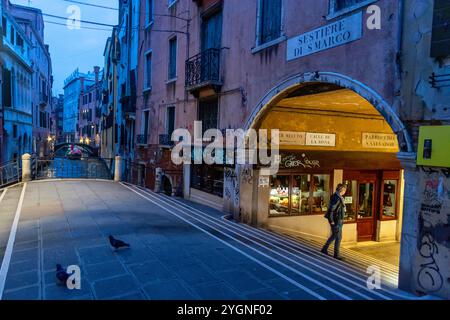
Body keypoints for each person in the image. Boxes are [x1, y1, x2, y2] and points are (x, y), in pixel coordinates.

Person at [321, 183, 347, 260]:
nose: (345, 191)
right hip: (337, 220)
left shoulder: (337, 197)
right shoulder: (337, 198)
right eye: (344, 190)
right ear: (342, 190)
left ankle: (324, 249)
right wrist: (332, 221)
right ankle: (336, 254)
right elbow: (331, 210)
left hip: (338, 219)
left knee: (334, 235)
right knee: (338, 237)